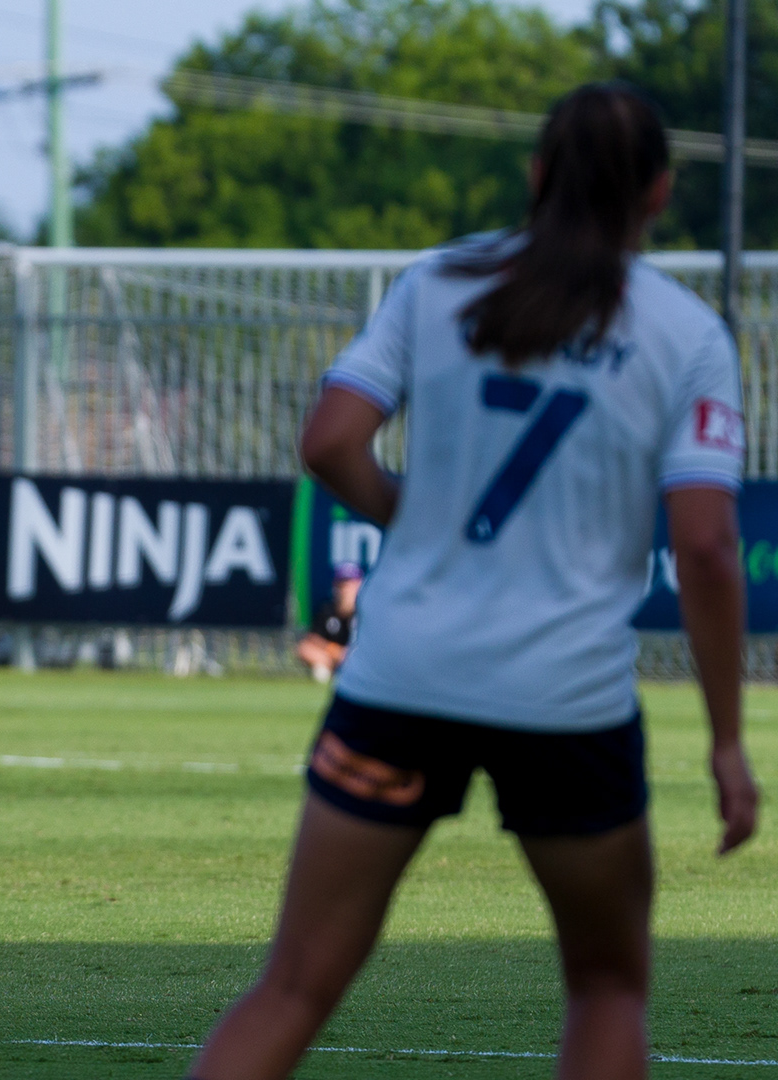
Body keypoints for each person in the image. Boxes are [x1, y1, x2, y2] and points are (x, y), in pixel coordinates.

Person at [190, 84, 760, 1080]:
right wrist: (725, 741)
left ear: (535, 175)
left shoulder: (437, 283)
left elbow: (329, 443)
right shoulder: (687, 334)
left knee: (294, 987)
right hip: (566, 703)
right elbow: (708, 548)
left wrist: (408, 515)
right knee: (607, 988)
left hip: (400, 682)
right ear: (660, 193)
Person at [295, 563, 361, 682]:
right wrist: (334, 651)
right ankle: (330, 669)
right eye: (342, 584)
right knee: (305, 648)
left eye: (350, 584)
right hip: (332, 656)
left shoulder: (365, 612)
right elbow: (314, 637)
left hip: (358, 657)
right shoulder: (327, 610)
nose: (346, 589)